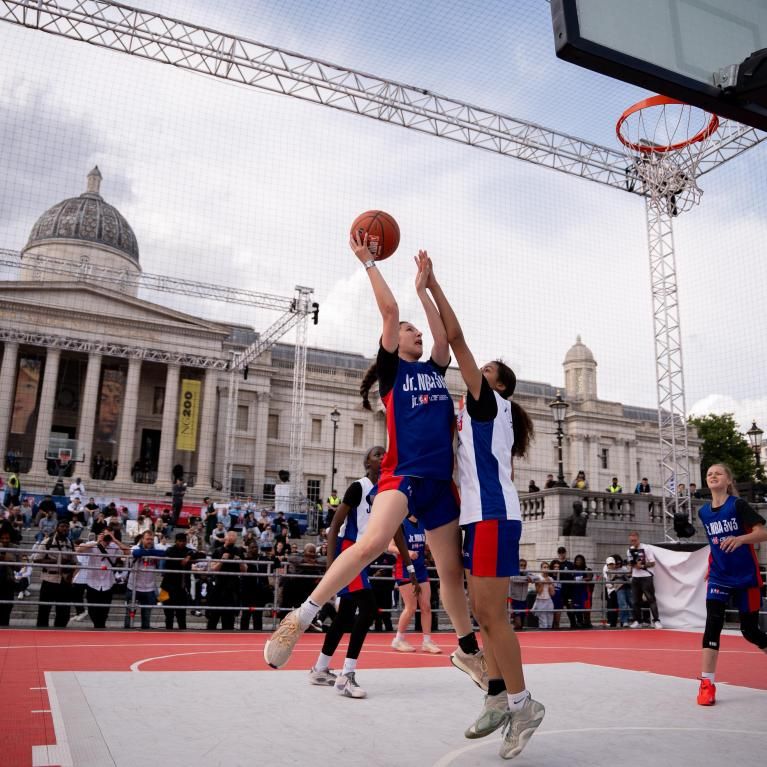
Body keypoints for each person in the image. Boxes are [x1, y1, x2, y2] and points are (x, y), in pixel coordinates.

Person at [265, 239, 484, 692]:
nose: (417, 334)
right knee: (369, 544)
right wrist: (368, 262)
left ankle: (468, 650)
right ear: (394, 341)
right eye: (410, 331)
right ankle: (301, 616)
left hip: (440, 483)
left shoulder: (434, 369)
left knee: (449, 573)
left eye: (416, 331)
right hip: (402, 474)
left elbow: (445, 338)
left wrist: (427, 289)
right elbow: (388, 311)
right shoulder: (393, 372)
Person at [420, 252, 544, 758]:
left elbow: (457, 338)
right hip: (482, 517)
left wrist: (432, 287)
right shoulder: (481, 415)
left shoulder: (488, 403)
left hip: (494, 517)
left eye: (487, 370)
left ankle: (522, 703)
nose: (479, 368)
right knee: (484, 613)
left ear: (498, 385)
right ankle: (497, 695)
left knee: (493, 618)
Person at [309, 446, 414, 698]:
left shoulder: (391, 491)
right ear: (367, 461)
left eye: (384, 454)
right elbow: (335, 527)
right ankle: (347, 675)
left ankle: (320, 669)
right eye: (377, 454)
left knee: (345, 617)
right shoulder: (359, 487)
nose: (382, 456)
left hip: (363, 558)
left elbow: (397, 531)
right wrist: (331, 566)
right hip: (350, 552)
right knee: (368, 609)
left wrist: (409, 564)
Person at [695, 463, 767, 706]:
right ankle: (706, 684)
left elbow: (763, 532)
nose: (713, 476)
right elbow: (715, 543)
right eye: (709, 474)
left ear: (728, 480)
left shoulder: (738, 505)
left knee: (750, 631)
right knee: (712, 623)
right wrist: (711, 564)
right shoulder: (704, 513)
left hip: (746, 575)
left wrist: (740, 539)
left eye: (718, 473)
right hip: (719, 575)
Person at [390, 513, 441, 654]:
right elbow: (390, 547)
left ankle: (427, 641)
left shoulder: (423, 524)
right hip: (405, 569)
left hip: (420, 569)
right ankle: (398, 639)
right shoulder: (402, 525)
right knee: (411, 607)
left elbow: (426, 545)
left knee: (426, 606)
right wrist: (408, 551)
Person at [76, 530, 125, 628]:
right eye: (104, 535)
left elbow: (127, 552)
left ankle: (101, 627)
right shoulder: (92, 545)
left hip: (107, 583)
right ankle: (97, 625)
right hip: (92, 582)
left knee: (105, 609)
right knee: (92, 609)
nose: (106, 538)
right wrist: (97, 542)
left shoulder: (114, 546)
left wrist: (114, 540)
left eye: (109, 535)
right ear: (99, 535)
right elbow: (78, 550)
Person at [33, 520, 76, 627]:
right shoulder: (47, 542)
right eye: (62, 526)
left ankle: (60, 633)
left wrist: (70, 573)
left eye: (67, 526)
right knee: (44, 610)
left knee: (64, 611)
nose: (65, 528)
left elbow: (75, 561)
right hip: (49, 579)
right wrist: (56, 562)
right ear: (57, 528)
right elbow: (36, 559)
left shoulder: (70, 543)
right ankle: (41, 633)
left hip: (65, 581)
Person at [125, 530, 164, 630]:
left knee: (146, 615)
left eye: (151, 539)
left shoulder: (156, 548)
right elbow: (137, 553)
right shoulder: (135, 547)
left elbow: (164, 553)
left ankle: (145, 633)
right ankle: (127, 633)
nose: (149, 541)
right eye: (147, 539)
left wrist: (148, 552)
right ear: (142, 539)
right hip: (133, 586)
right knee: (129, 614)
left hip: (149, 587)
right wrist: (150, 552)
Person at [207, 530, 246, 630]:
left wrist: (240, 562)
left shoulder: (239, 551)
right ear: (226, 537)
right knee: (213, 617)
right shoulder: (218, 550)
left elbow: (245, 570)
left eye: (234, 536)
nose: (232, 537)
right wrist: (222, 561)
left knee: (229, 619)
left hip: (232, 588)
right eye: (230, 535)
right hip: (219, 586)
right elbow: (213, 569)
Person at [627, 531, 662, 628]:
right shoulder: (629, 550)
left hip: (646, 576)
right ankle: (638, 620)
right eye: (631, 540)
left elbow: (653, 563)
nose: (633, 542)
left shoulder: (646, 548)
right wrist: (632, 565)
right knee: (635, 601)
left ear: (638, 538)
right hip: (635, 577)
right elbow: (630, 562)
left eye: (634, 540)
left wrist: (642, 565)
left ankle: (656, 621)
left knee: (651, 599)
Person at [162, 532, 196, 630]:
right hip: (167, 587)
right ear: (176, 541)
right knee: (168, 614)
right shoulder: (170, 550)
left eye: (184, 541)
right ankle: (168, 634)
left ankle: (183, 635)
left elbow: (199, 553)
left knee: (181, 615)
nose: (182, 543)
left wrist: (189, 557)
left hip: (182, 587)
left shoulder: (188, 551)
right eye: (180, 541)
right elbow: (171, 555)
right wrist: (186, 557)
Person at [0, 522, 22, 626]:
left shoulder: (15, 548)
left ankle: (5, 628)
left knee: (7, 607)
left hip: (9, 581)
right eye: (2, 538)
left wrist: (8, 561)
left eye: (7, 538)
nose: (5, 540)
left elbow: (19, 568)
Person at [531, 563, 555, 629]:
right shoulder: (538, 578)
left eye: (547, 567)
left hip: (549, 601)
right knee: (543, 623)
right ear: (541, 569)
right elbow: (538, 592)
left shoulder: (551, 578)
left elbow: (552, 594)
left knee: (550, 622)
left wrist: (550, 584)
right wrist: (543, 583)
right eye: (544, 567)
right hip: (540, 600)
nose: (546, 568)